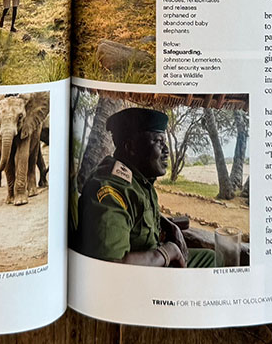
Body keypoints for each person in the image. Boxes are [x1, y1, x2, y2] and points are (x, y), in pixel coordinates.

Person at [76, 107, 216, 268]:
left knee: (210, 257)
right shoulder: (110, 192)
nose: (166, 151)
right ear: (131, 147)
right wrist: (166, 252)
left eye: (164, 142)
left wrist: (168, 224)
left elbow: (137, 212)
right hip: (136, 279)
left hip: (152, 260)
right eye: (158, 141)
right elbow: (109, 265)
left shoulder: (137, 180)